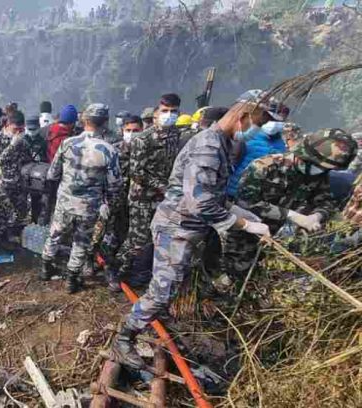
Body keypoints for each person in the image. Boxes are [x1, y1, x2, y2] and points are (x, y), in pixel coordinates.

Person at [111, 101, 274, 369]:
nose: (257, 130)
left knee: (170, 284)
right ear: (242, 117)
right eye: (257, 123)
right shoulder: (208, 147)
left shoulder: (221, 143)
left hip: (189, 227)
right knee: (163, 289)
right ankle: (124, 337)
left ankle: (155, 316)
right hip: (177, 228)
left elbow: (215, 196)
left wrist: (246, 216)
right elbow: (201, 203)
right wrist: (243, 225)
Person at [222, 129, 357, 283]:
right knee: (233, 276)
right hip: (243, 233)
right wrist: (291, 215)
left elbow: (325, 202)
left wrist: (317, 216)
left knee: (258, 281)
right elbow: (246, 204)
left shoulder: (319, 176)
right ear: (303, 156)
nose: (320, 171)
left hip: (273, 238)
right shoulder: (265, 167)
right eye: (317, 165)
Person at [41, 104, 122, 294]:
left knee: (55, 233)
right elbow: (114, 185)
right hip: (89, 206)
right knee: (81, 241)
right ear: (105, 123)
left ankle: (45, 268)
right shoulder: (108, 150)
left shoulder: (67, 143)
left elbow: (52, 174)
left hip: (65, 202)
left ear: (84, 121)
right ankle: (71, 280)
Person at [109, 94, 185, 292]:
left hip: (166, 198)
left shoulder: (178, 136)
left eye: (173, 111)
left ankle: (140, 274)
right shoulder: (144, 139)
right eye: (165, 111)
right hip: (142, 198)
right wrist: (163, 186)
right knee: (137, 240)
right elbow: (137, 173)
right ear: (156, 114)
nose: (169, 115)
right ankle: (116, 271)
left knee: (158, 239)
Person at [92, 115, 143, 277]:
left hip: (135, 203)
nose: (132, 133)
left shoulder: (146, 150)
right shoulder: (113, 151)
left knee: (125, 237)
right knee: (101, 235)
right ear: (122, 131)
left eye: (136, 130)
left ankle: (115, 268)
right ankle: (94, 262)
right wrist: (102, 201)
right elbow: (100, 176)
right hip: (112, 201)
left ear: (142, 130)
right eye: (128, 130)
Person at [226, 107, 287, 199]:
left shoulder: (281, 145)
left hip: (253, 195)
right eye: (270, 119)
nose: (273, 123)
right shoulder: (247, 136)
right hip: (230, 190)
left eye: (278, 120)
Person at [0, 110, 32, 240]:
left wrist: (25, 143)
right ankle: (3, 240)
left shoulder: (21, 139)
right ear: (7, 125)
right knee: (6, 215)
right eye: (16, 128)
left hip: (19, 183)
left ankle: (18, 239)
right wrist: (13, 144)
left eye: (21, 129)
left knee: (21, 215)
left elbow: (28, 158)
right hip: (3, 184)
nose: (18, 131)